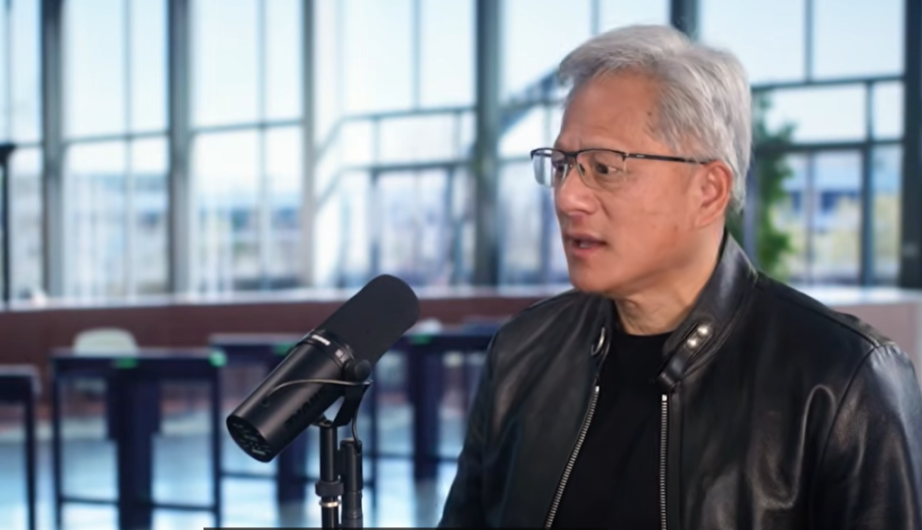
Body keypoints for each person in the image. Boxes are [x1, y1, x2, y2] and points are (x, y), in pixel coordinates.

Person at [438, 24, 922, 529]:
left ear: (709, 191)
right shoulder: (522, 354)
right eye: (562, 165)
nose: (567, 197)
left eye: (604, 168)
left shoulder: (844, 382)